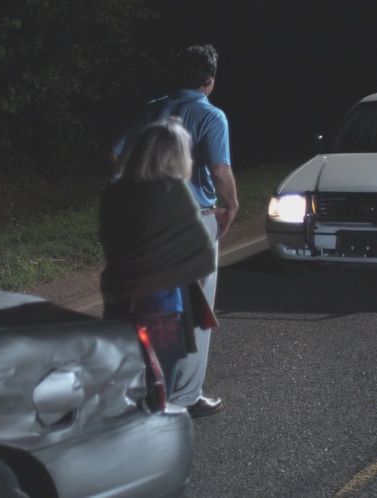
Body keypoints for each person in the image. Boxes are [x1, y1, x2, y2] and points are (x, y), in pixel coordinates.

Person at [112, 44, 238, 418]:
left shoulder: (153, 109)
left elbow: (117, 156)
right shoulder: (210, 116)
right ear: (210, 80)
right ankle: (184, 396)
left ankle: (143, 388)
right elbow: (219, 171)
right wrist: (230, 206)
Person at [100, 118, 217, 399]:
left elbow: (108, 241)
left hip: (118, 304)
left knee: (124, 391)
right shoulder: (174, 192)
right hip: (161, 311)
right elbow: (202, 260)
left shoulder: (114, 193)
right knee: (158, 394)